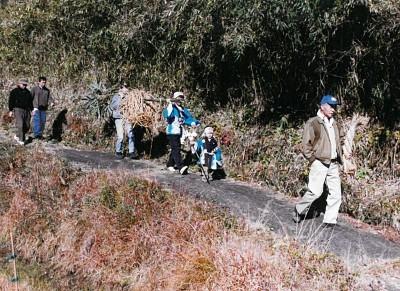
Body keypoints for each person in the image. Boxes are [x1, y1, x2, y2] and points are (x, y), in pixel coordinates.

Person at [293, 95, 345, 227]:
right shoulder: (313, 122)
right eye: (330, 106)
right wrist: (312, 160)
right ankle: (298, 209)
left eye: (334, 106)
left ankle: (329, 220)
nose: (333, 109)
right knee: (315, 192)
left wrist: (341, 156)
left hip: (333, 163)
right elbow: (306, 145)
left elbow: (341, 139)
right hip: (320, 162)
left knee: (336, 193)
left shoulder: (335, 123)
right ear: (322, 106)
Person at [162, 91, 200, 175]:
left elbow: (188, 119)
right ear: (174, 99)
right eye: (178, 99)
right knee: (176, 148)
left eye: (181, 99)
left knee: (176, 147)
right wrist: (170, 105)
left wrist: (194, 122)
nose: (180, 101)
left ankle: (170, 164)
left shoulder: (183, 109)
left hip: (180, 132)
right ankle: (181, 167)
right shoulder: (171, 108)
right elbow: (166, 115)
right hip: (172, 132)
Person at [110, 84, 138, 160]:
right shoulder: (116, 97)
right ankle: (118, 151)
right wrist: (121, 101)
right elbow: (112, 106)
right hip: (119, 118)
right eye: (126, 87)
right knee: (121, 136)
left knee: (130, 134)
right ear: (121, 89)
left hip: (127, 117)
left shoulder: (129, 96)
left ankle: (131, 152)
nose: (127, 89)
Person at [8, 79, 33, 145]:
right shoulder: (14, 91)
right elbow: (11, 101)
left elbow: (30, 102)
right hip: (18, 109)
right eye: (23, 84)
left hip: (27, 110)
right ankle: (21, 140)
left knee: (27, 125)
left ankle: (17, 135)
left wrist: (32, 110)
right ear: (19, 84)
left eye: (25, 84)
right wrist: (10, 110)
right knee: (20, 124)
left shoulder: (28, 92)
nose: (24, 86)